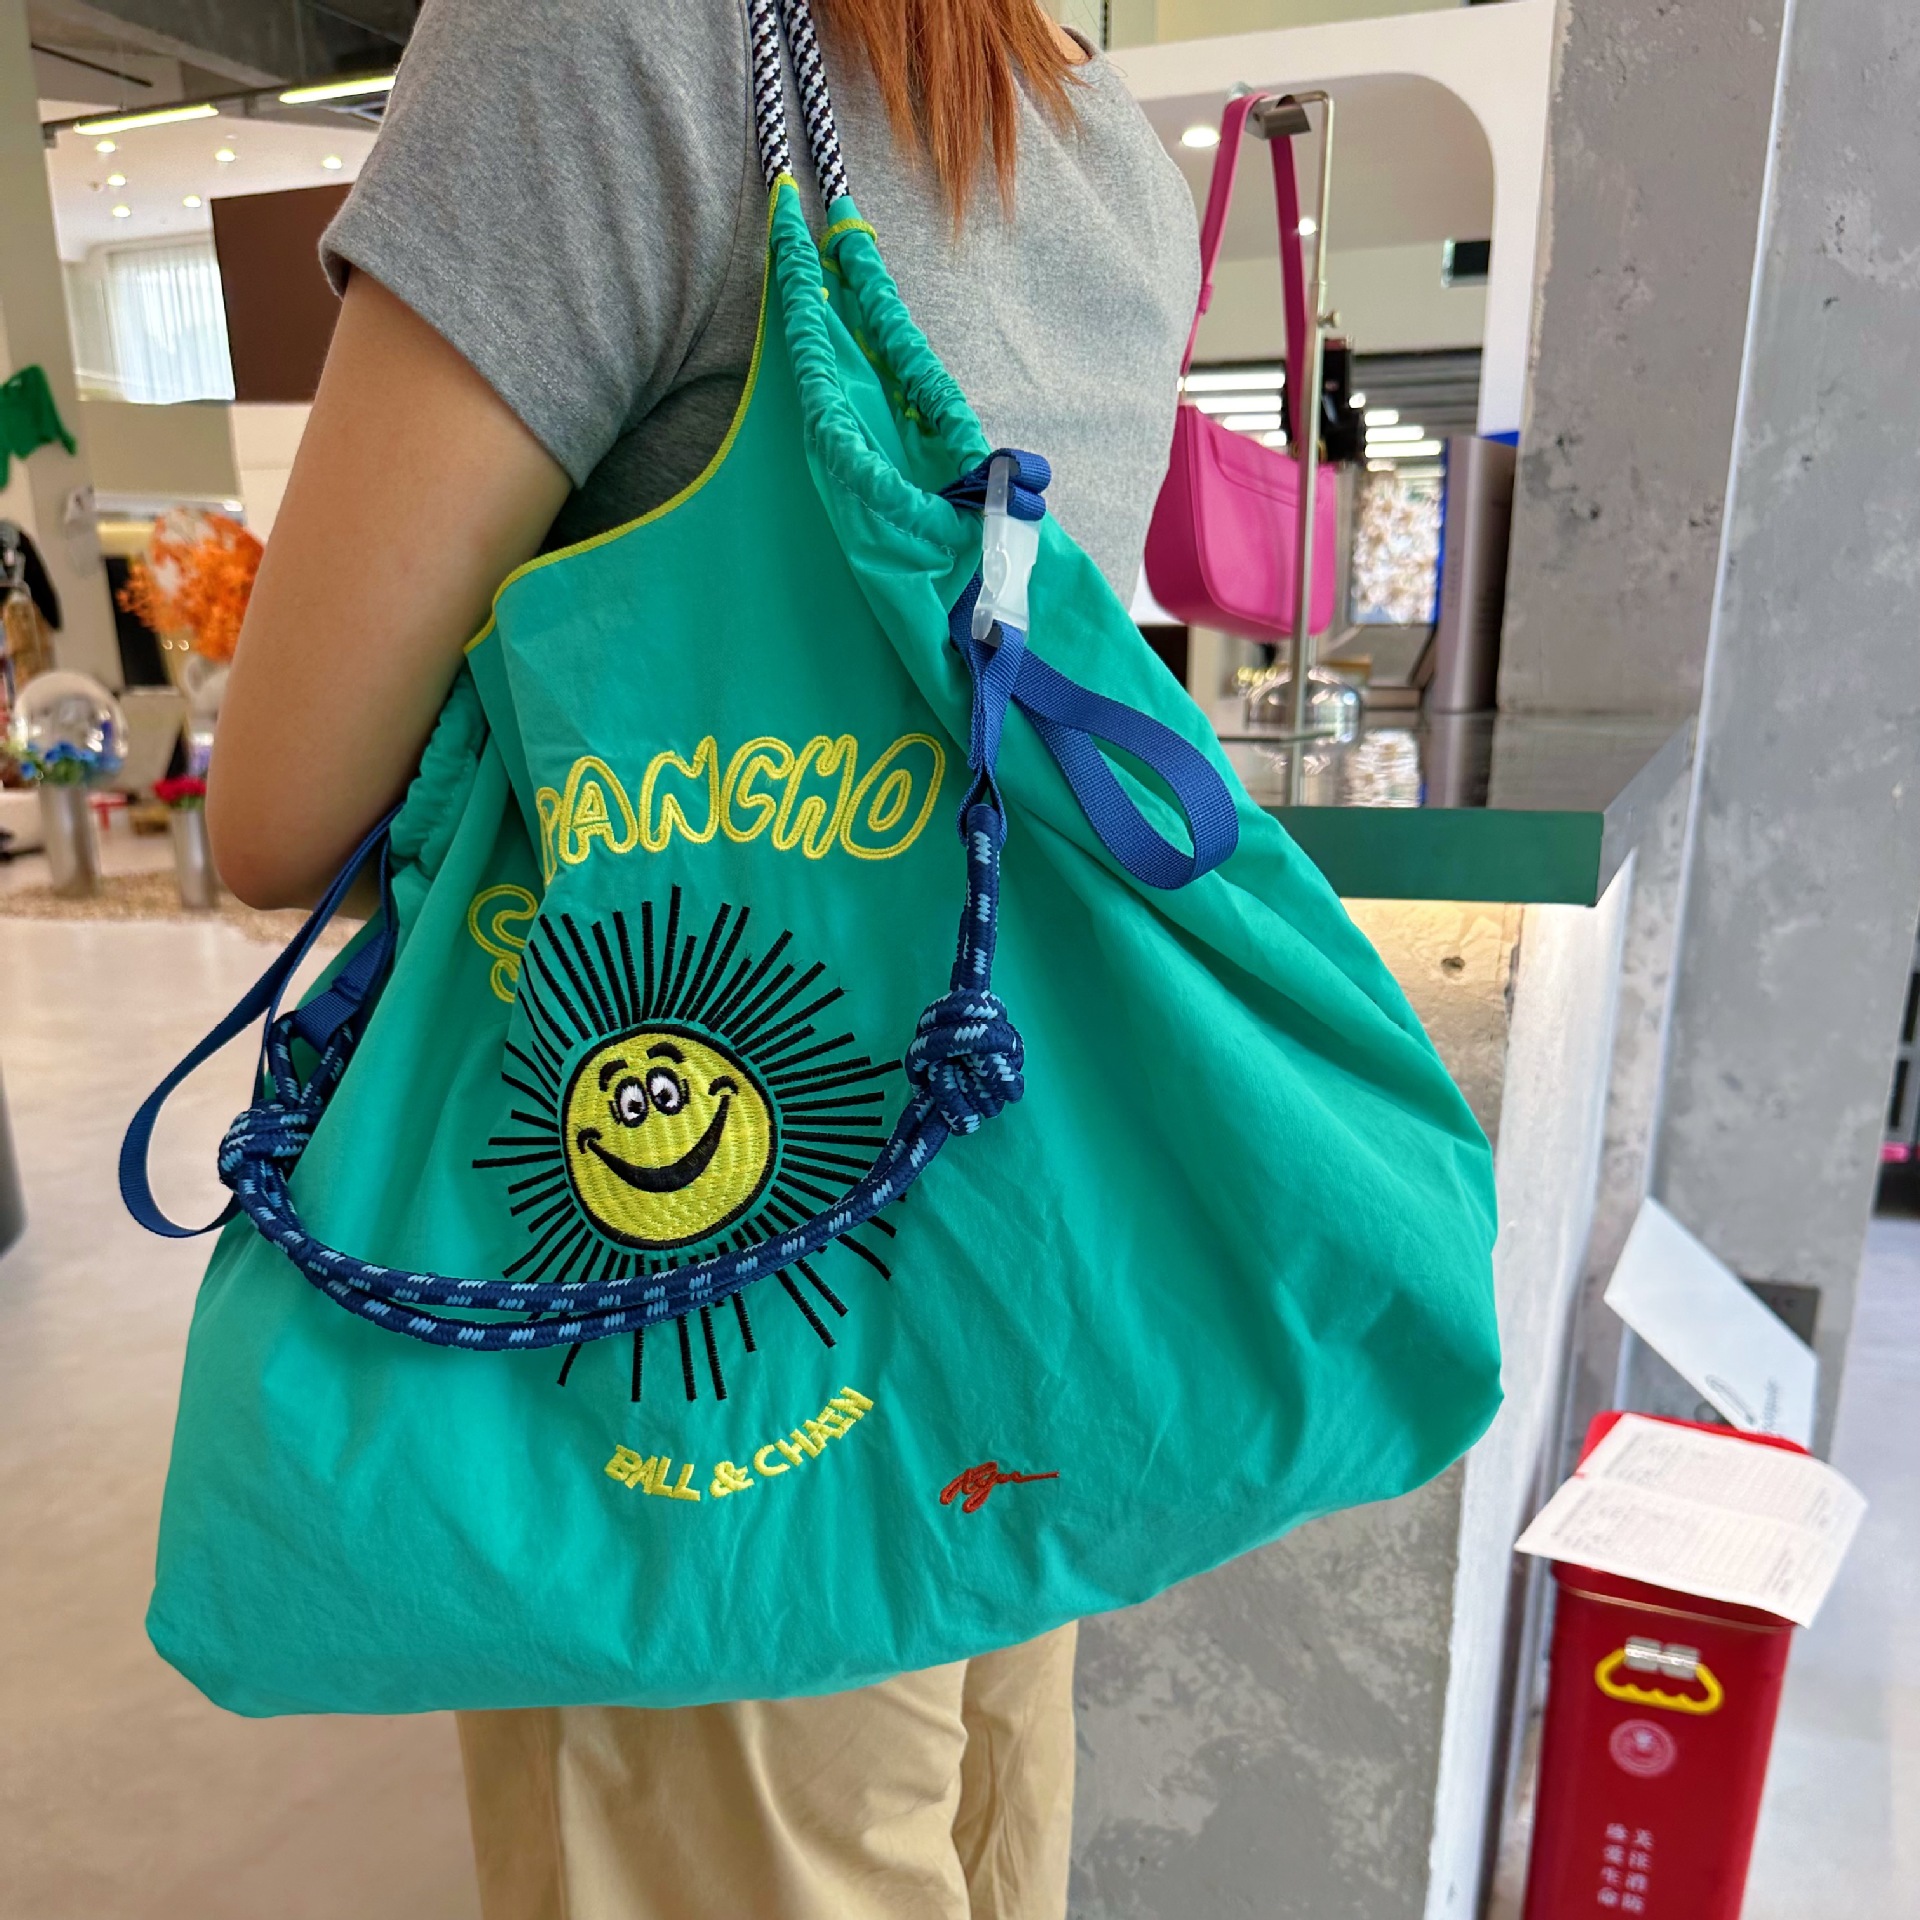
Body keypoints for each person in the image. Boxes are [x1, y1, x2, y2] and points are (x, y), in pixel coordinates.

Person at [207, 2, 1197, 1914]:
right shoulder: (1097, 136)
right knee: (979, 1833)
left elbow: (280, 810)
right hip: (1004, 1213)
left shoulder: (602, 33)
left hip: (688, 1298)